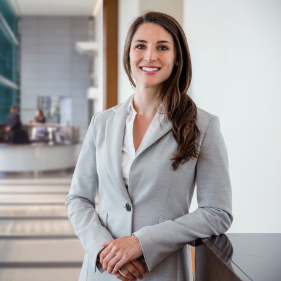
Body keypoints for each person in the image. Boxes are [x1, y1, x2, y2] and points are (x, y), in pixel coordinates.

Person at [65, 11, 233, 281]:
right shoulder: (102, 122)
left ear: (177, 58)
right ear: (128, 54)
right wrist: (101, 249)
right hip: (103, 271)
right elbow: (78, 199)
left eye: (162, 47)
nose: (150, 56)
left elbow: (217, 213)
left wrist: (142, 242)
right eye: (140, 46)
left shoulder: (204, 125)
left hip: (162, 271)